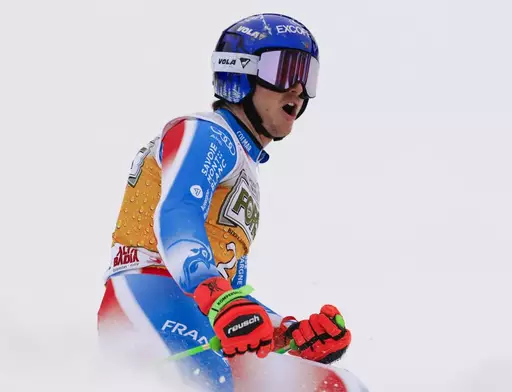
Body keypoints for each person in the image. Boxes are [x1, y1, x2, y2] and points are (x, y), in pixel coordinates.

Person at [97, 13, 351, 391]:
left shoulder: (242, 164)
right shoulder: (206, 132)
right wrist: (216, 293)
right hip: (150, 297)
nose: (298, 89)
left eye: (307, 75)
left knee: (334, 385)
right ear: (240, 73)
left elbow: (228, 294)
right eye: (284, 70)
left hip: (182, 308)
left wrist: (289, 333)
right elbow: (177, 214)